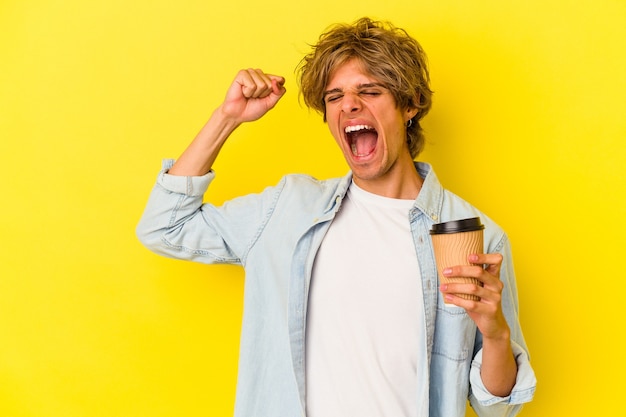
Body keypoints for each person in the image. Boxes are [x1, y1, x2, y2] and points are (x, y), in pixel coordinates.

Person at [137, 17, 536, 417]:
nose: (349, 105)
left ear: (411, 104)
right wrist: (227, 117)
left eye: (370, 91)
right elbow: (164, 227)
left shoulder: (475, 235)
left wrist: (496, 333)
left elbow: (498, 408)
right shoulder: (287, 210)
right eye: (334, 97)